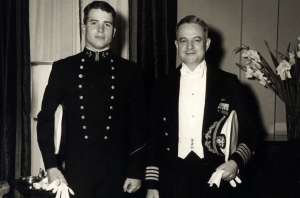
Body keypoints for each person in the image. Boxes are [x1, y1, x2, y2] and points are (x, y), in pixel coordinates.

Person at [37, 1, 147, 197]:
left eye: (107, 24)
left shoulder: (131, 71)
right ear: (84, 27)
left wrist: (136, 171)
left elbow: (139, 125)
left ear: (114, 31)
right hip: (76, 172)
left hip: (117, 172)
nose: (100, 29)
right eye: (94, 23)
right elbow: (45, 118)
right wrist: (51, 166)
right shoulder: (64, 69)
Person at [145, 15, 258, 198]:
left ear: (207, 44)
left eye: (196, 40)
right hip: (171, 178)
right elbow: (153, 139)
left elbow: (250, 132)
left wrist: (235, 162)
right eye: (184, 40)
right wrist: (152, 184)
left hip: (215, 176)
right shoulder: (161, 85)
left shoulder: (229, 83)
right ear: (176, 45)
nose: (190, 47)